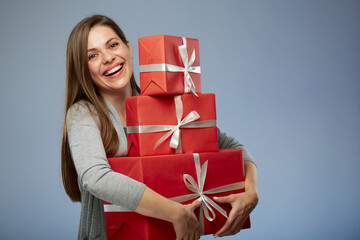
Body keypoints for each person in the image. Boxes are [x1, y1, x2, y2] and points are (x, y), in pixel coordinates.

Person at [61, 14, 258, 240]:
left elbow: (235, 148)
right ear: (82, 69)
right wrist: (175, 213)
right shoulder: (83, 113)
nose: (108, 57)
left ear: (129, 49)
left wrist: (251, 191)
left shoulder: (162, 105)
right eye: (93, 55)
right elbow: (95, 177)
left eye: (113, 45)